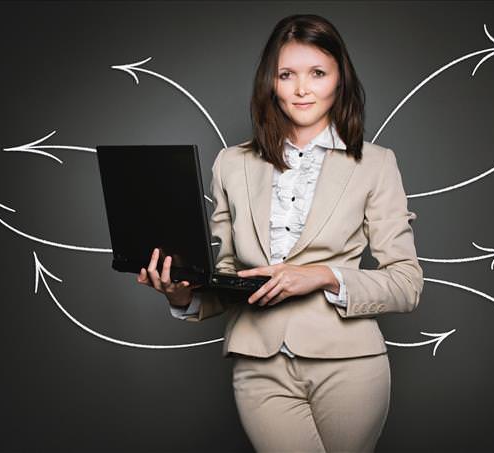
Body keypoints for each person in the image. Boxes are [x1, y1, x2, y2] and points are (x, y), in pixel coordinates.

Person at [137, 13, 423, 453]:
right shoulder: (231, 164)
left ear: (340, 80)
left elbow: (406, 283)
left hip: (349, 364)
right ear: (270, 82)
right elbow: (231, 275)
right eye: (287, 74)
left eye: (318, 73)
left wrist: (324, 275)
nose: (302, 89)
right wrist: (181, 295)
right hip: (258, 362)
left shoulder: (376, 163)